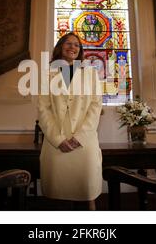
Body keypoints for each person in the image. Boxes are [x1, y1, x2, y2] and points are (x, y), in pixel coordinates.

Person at [38, 32, 103, 210]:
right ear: (60, 47)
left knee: (86, 193)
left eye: (76, 45)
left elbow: (95, 107)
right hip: (56, 141)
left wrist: (80, 137)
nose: (72, 47)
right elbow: (43, 109)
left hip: (84, 141)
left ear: (80, 50)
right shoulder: (47, 74)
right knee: (56, 194)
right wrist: (58, 140)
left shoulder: (90, 74)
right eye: (68, 43)